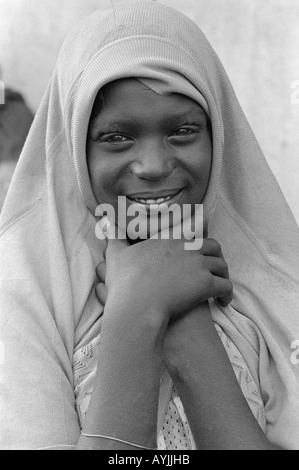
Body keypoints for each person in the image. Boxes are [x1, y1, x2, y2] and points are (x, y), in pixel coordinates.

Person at [0, 0, 299, 451]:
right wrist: (137, 314)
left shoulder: (276, 289)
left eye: (182, 130)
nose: (154, 165)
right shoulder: (25, 297)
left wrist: (191, 336)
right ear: (77, 149)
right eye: (116, 137)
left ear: (219, 132)